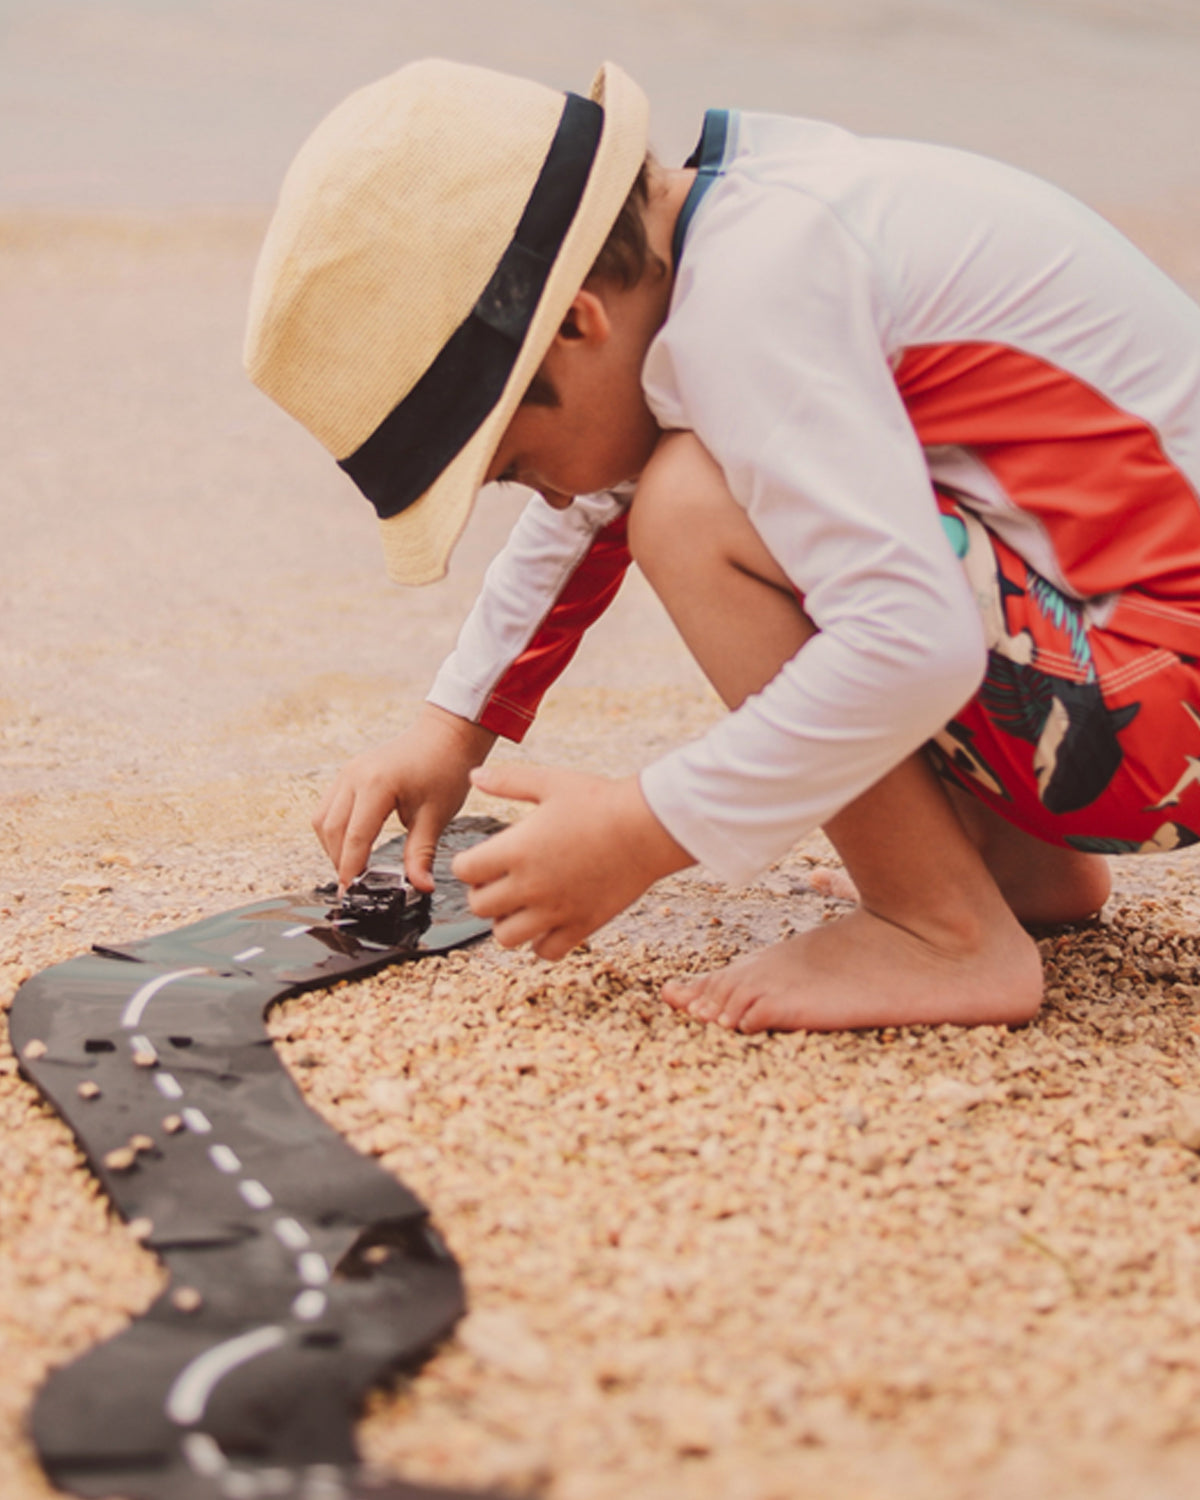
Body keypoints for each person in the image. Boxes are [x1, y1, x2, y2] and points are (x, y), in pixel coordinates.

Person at [244, 58, 1200, 1034]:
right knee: (749, 496)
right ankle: (1018, 866)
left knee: (689, 507)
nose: (553, 493)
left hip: (1163, 701)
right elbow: (590, 508)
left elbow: (914, 641)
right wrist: (452, 730)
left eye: (520, 463)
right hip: (1142, 682)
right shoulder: (731, 235)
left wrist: (642, 828)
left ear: (577, 324)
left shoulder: (758, 299)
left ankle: (940, 929)